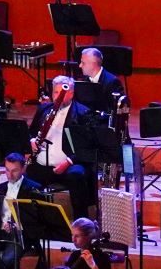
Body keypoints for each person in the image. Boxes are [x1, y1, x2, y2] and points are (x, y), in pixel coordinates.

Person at [30, 75, 105, 217]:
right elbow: (31, 133)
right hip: (42, 164)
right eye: (55, 93)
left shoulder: (83, 113)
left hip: (69, 165)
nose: (57, 97)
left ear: (71, 93)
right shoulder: (44, 109)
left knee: (77, 175)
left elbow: (88, 146)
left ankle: (81, 223)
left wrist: (68, 162)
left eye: (61, 93)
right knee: (25, 177)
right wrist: (32, 141)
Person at [73, 46, 128, 128]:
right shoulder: (83, 81)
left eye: (83, 62)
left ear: (93, 64)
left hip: (104, 128)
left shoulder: (112, 82)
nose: (80, 66)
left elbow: (117, 112)